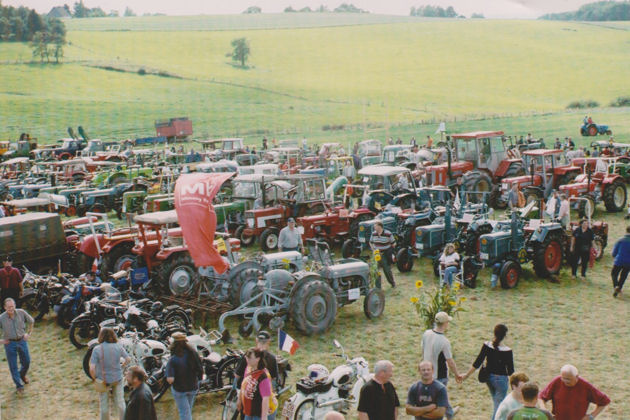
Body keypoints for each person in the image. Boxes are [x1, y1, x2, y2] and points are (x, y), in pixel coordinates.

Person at [461, 324, 515, 420]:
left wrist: (467, 375)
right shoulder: (507, 351)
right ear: (505, 335)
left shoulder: (487, 345)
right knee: (499, 408)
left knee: (496, 403)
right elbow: (511, 371)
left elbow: (478, 362)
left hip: (488, 378)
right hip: (501, 381)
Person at [422, 312, 461, 419]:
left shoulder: (426, 333)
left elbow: (423, 350)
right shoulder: (444, 341)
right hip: (439, 375)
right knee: (440, 400)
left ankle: (450, 413)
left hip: (426, 372)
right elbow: (450, 361)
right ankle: (447, 415)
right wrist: (457, 374)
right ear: (445, 323)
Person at [539, 364, 610, 420]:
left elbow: (604, 401)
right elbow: (541, 397)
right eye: (563, 378)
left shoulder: (585, 386)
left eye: (568, 379)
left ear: (576, 377)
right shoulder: (557, 382)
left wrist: (592, 416)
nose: (565, 381)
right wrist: (545, 411)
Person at [90, 327, 131, 420]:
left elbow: (92, 368)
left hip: (103, 380)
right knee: (120, 402)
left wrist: (95, 378)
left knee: (104, 405)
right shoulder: (118, 346)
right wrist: (122, 367)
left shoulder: (97, 349)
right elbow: (128, 359)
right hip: (117, 378)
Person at [166, 332, 203, 420]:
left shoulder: (172, 359)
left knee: (184, 413)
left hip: (180, 390)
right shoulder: (193, 353)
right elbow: (200, 370)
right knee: (187, 410)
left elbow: (170, 380)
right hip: (193, 387)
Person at [0, 298, 33, 394]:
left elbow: (31, 321)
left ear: (15, 305)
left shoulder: (21, 312)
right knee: (13, 365)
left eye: (12, 306)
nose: (11, 308)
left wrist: (28, 333)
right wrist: (1, 341)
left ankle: (22, 375)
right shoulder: (1, 318)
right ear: (4, 307)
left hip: (22, 340)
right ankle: (19, 386)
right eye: (8, 307)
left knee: (26, 361)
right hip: (10, 343)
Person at [238, 348, 276, 420]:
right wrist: (239, 399)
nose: (247, 359)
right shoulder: (249, 368)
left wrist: (264, 417)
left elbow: (266, 398)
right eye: (246, 357)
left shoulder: (263, 376)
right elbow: (243, 384)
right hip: (249, 411)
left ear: (257, 359)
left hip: (259, 413)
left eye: (249, 358)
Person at [369, 221, 396, 288]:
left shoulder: (388, 233)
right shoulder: (373, 234)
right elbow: (371, 242)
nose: (374, 227)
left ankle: (392, 283)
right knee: (376, 270)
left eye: (375, 226)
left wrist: (389, 251)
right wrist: (373, 249)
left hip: (384, 254)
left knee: (387, 270)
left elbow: (394, 243)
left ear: (379, 226)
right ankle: (378, 287)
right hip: (376, 254)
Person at [612, 226, 630, 297]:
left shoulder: (620, 240)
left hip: (619, 260)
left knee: (614, 274)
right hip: (628, 262)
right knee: (623, 276)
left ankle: (616, 286)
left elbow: (614, 252)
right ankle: (619, 287)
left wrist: (614, 256)